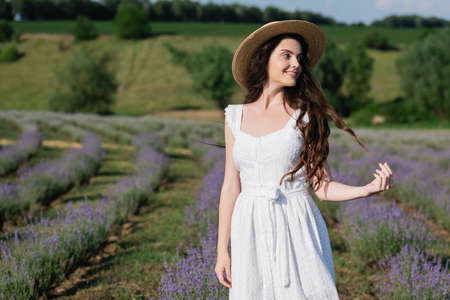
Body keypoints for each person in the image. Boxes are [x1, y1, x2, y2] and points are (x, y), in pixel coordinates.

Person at [215, 20, 393, 299]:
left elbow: (322, 187)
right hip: (248, 225)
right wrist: (221, 251)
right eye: (286, 55)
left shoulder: (306, 117)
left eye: (299, 58)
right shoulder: (235, 117)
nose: (295, 63)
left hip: (295, 222)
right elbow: (230, 186)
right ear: (264, 59)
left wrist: (366, 189)